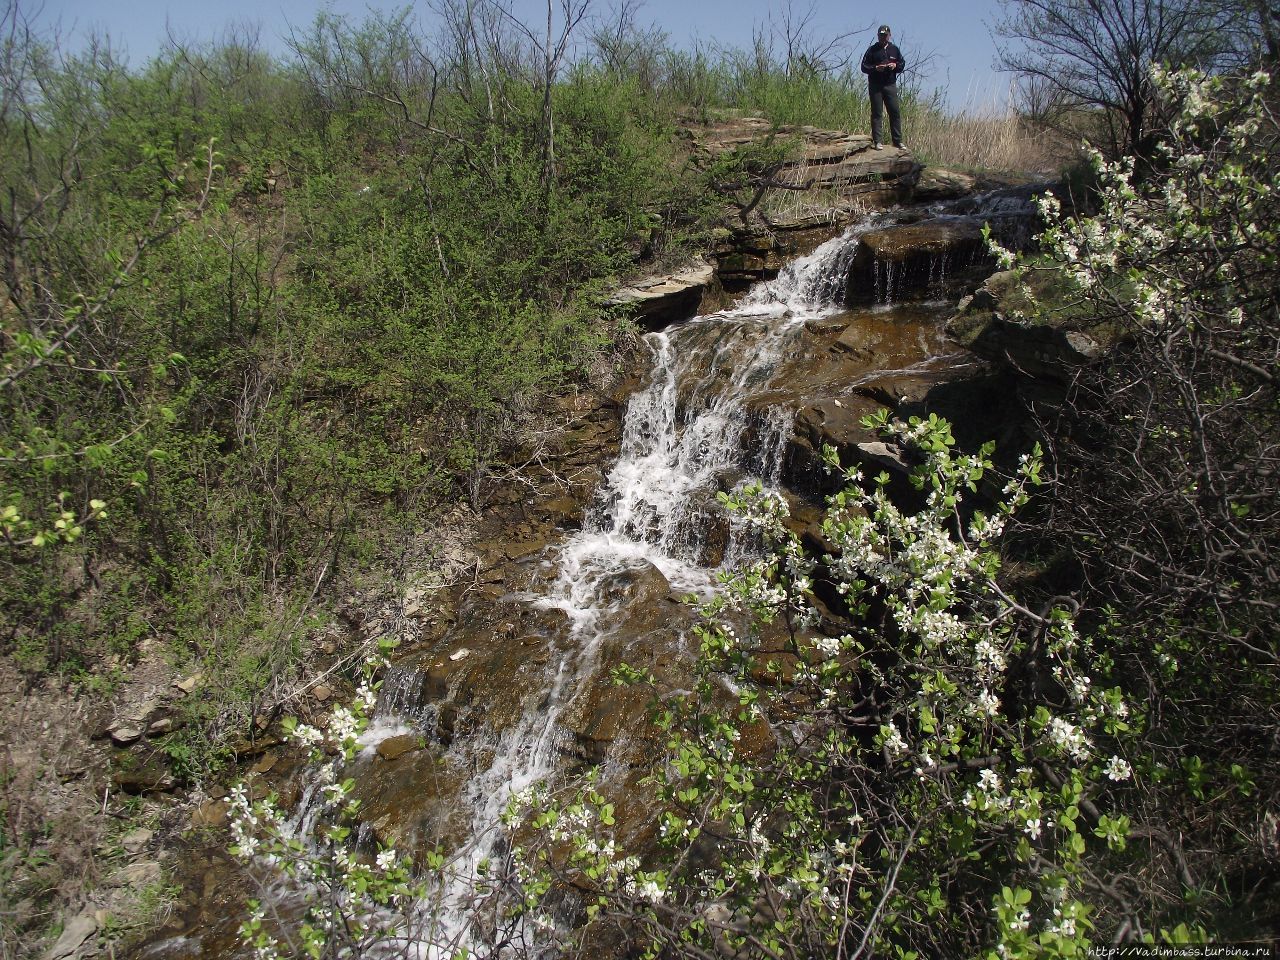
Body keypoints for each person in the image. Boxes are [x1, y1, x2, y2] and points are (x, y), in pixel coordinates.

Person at [860, 24, 905, 150]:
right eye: (881, 35)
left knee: (895, 112)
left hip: (890, 85)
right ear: (878, 35)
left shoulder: (894, 49)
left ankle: (897, 141)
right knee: (877, 113)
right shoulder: (872, 50)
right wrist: (875, 68)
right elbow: (863, 67)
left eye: (885, 35)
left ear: (889, 36)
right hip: (876, 86)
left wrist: (895, 66)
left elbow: (902, 64)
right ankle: (877, 141)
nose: (883, 37)